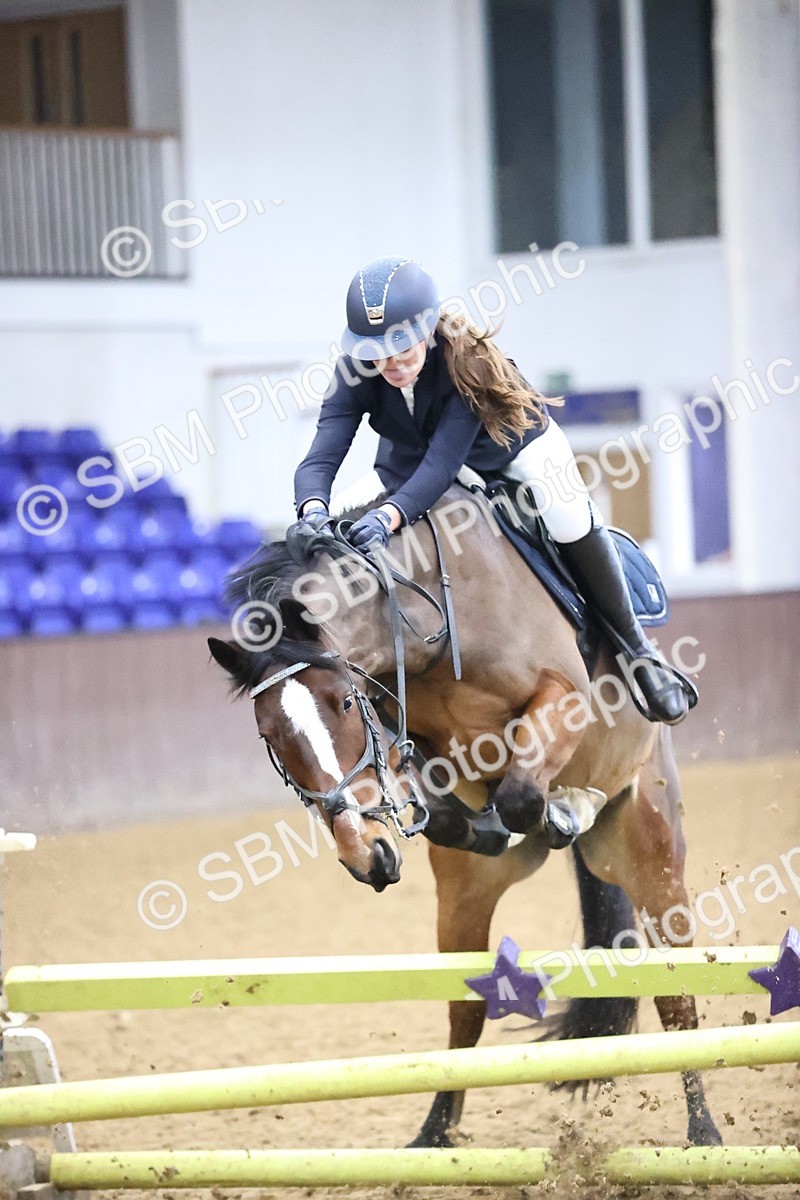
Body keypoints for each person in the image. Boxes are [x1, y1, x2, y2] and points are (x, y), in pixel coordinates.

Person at [293, 256, 689, 725]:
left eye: (402, 349)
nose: (390, 364)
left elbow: (444, 464)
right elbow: (321, 455)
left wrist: (387, 517)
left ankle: (637, 650)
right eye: (377, 354)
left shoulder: (467, 360)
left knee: (566, 515)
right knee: (333, 528)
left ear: (427, 331)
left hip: (510, 450)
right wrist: (312, 511)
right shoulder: (355, 372)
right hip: (408, 466)